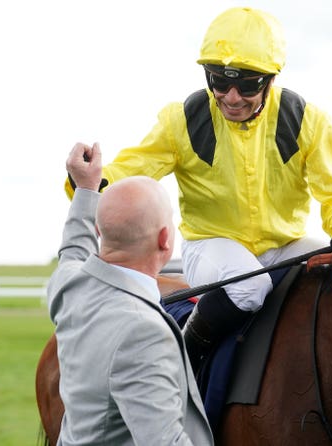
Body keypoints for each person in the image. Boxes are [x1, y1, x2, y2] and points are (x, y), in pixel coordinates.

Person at [64, 6, 332, 374]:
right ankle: (181, 369)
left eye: (247, 84)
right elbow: (131, 171)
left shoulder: (307, 120)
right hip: (210, 245)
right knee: (250, 288)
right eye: (219, 82)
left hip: (284, 247)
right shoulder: (182, 120)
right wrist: (88, 182)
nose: (232, 97)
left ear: (271, 78)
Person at [49, 143, 214, 445]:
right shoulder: (144, 333)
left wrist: (86, 188)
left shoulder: (68, 285)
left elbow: (73, 249)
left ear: (99, 232)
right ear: (165, 239)